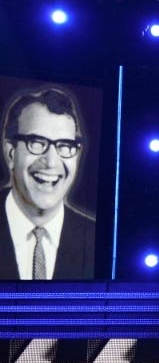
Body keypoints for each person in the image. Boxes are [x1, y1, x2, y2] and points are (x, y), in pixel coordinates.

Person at [0, 87, 95, 279]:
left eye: (65, 146)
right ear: (11, 153)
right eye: (36, 142)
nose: (51, 162)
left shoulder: (95, 237)